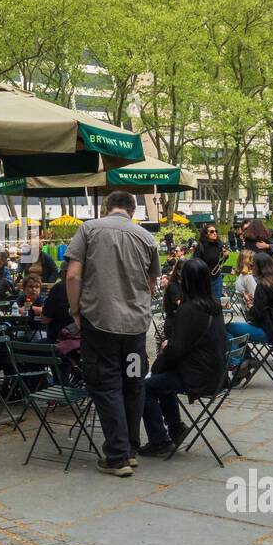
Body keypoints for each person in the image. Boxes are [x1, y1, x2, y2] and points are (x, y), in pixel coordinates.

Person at [65, 190, 160, 478]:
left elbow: (72, 275)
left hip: (100, 323)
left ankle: (117, 455)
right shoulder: (146, 238)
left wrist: (75, 311)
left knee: (106, 384)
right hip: (134, 328)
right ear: (133, 210)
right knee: (133, 382)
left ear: (108, 207)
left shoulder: (90, 229)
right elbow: (152, 284)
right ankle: (130, 449)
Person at [138, 259, 231, 457]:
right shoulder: (214, 306)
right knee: (162, 379)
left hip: (198, 377)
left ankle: (159, 440)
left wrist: (158, 364)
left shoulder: (188, 309)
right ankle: (175, 427)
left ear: (186, 281)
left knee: (145, 387)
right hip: (218, 374)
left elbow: (175, 350)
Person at [227, 252, 273, 359]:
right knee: (236, 330)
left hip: (267, 331)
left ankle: (237, 362)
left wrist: (250, 306)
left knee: (227, 328)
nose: (251, 268)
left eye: (252, 265)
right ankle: (245, 359)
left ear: (259, 267)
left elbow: (258, 314)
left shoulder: (263, 284)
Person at [39, 258, 74, 344]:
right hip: (83, 344)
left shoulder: (58, 288)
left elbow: (45, 320)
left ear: (64, 272)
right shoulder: (87, 287)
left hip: (59, 342)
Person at [193, 221, 229, 300]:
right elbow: (194, 263)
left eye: (216, 231)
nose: (215, 233)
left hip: (217, 278)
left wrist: (225, 256)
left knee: (216, 301)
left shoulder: (219, 245)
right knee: (205, 301)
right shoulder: (201, 247)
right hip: (203, 278)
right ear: (206, 234)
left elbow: (219, 262)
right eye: (212, 231)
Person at [161, 258, 185, 339]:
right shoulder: (173, 286)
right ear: (178, 272)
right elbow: (181, 304)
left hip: (181, 323)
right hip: (173, 326)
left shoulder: (185, 285)